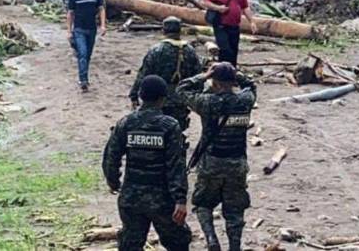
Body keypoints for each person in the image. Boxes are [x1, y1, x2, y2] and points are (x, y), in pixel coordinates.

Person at [102, 75, 191, 251]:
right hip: (163, 200)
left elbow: (111, 157)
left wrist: (113, 182)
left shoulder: (126, 123)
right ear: (163, 98)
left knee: (130, 244)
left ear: (141, 96)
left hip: (131, 197)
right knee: (178, 243)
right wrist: (180, 199)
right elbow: (176, 165)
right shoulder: (170, 126)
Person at [176, 63, 256, 251]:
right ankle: (234, 246)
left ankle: (211, 239)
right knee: (235, 210)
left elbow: (181, 89)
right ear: (232, 82)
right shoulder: (245, 100)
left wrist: (204, 75)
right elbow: (252, 86)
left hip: (211, 163)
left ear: (216, 82)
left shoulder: (208, 102)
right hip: (237, 163)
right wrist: (237, 75)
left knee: (203, 204)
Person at [129, 16, 204, 132]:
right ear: (180, 31)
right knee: (178, 129)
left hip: (158, 98)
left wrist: (134, 94)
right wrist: (194, 97)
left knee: (157, 130)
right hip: (182, 99)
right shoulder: (190, 51)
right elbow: (198, 76)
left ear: (163, 31)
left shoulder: (156, 50)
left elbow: (144, 75)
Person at [202, 0, 257, 67]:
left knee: (234, 50)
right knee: (225, 49)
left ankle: (232, 71)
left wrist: (252, 22)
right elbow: (205, 1)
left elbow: (245, 7)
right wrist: (218, 8)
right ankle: (222, 72)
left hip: (235, 26)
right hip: (221, 25)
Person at [66, 0, 106, 91]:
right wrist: (68, 31)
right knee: (82, 54)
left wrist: (103, 25)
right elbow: (70, 13)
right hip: (79, 29)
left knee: (87, 55)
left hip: (92, 28)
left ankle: (84, 75)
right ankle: (83, 80)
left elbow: (101, 9)